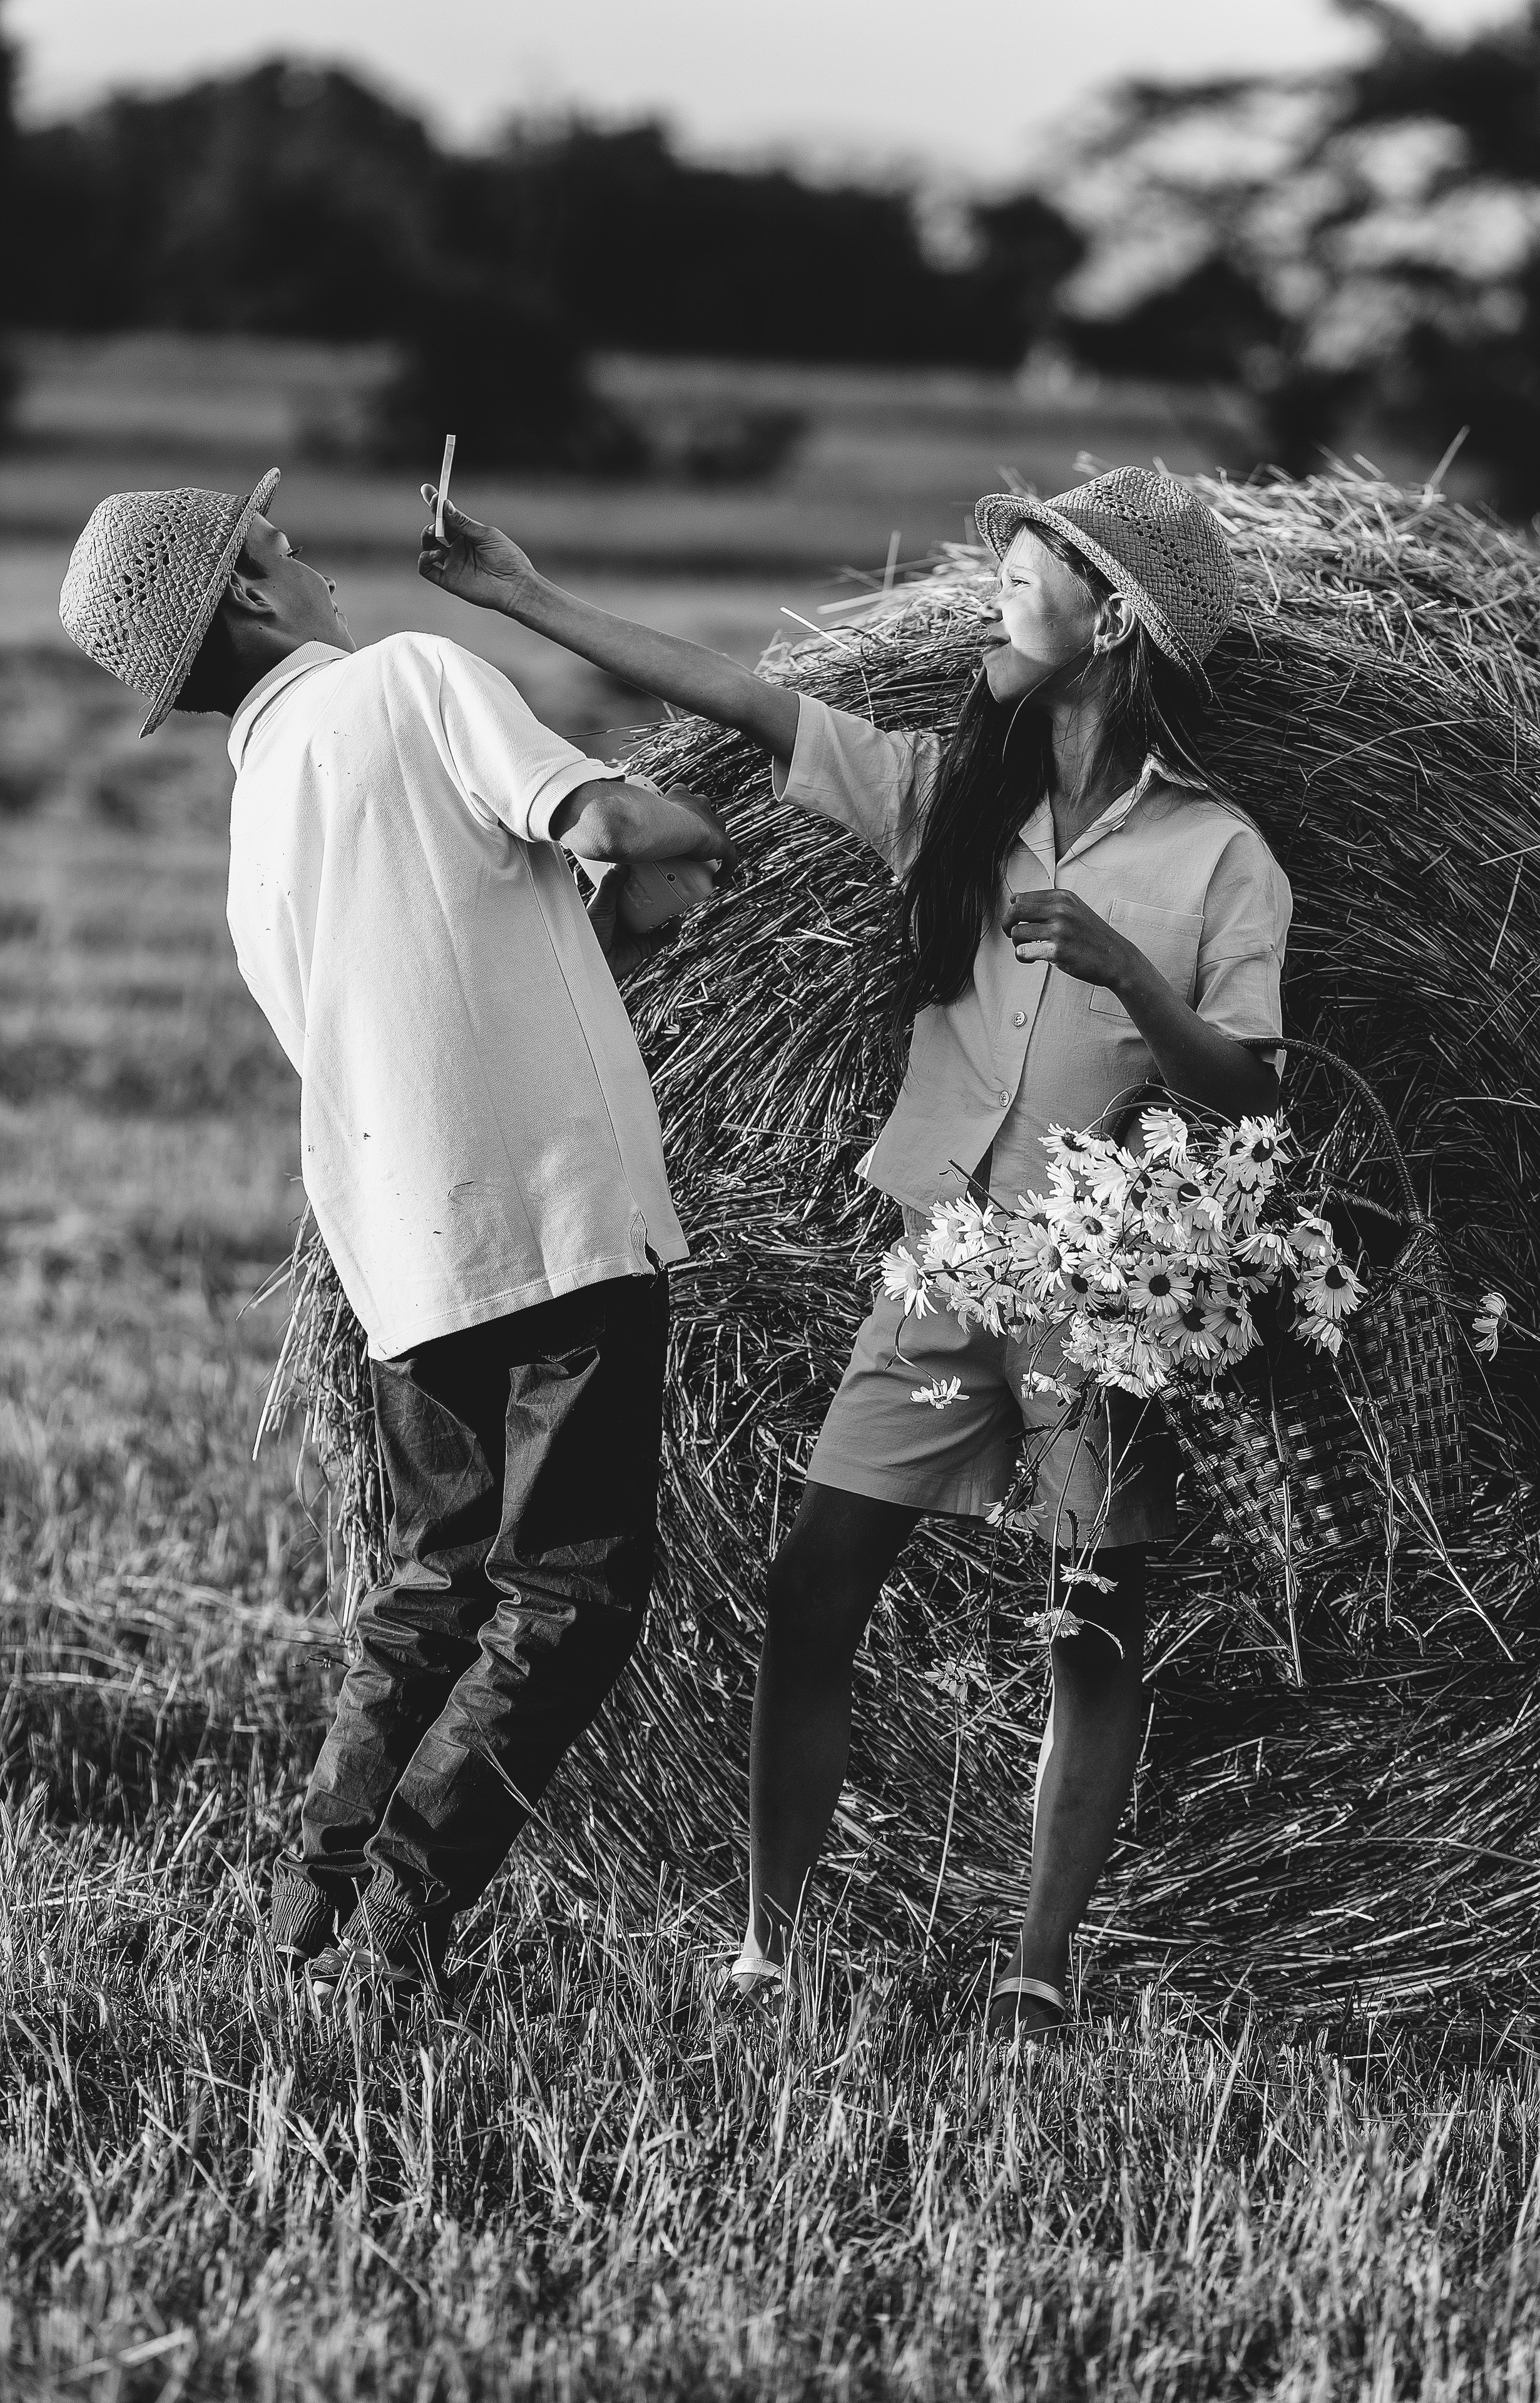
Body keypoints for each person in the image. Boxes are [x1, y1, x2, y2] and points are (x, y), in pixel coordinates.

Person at [415, 466, 1292, 2035]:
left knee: (1089, 1631)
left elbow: (1247, 1082)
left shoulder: (1218, 857)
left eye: (1024, 577)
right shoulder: (946, 802)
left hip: (1101, 1306)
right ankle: (765, 1941)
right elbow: (746, 700)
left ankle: (1032, 1973)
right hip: (942, 1277)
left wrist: (1125, 977)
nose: (993, 595)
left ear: (1109, 625)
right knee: (811, 1588)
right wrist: (515, 594)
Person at [58, 469, 737, 2003]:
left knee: (432, 1592)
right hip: (555, 1220)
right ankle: (398, 1931)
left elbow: (461, 965)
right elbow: (615, 820)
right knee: (569, 1598)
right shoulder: (413, 677)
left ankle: (311, 1899)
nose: (304, 555)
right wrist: (744, 832)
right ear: (241, 592)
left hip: (403, 1257)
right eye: (273, 543)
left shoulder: (260, 817)